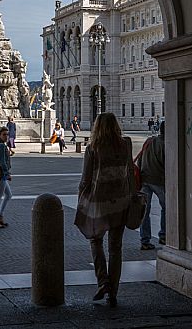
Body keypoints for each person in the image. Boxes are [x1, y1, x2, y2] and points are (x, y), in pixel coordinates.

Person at [75, 113, 135, 307]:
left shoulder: (93, 148)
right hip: (121, 201)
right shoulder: (126, 144)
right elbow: (130, 172)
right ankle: (113, 292)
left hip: (100, 201)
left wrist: (81, 198)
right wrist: (133, 194)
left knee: (95, 239)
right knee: (116, 248)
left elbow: (85, 179)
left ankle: (103, 281)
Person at [138, 120, 165, 250]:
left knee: (144, 211)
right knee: (167, 208)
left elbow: (140, 159)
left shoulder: (149, 141)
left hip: (144, 179)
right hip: (158, 181)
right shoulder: (165, 144)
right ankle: (164, 235)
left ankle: (145, 240)